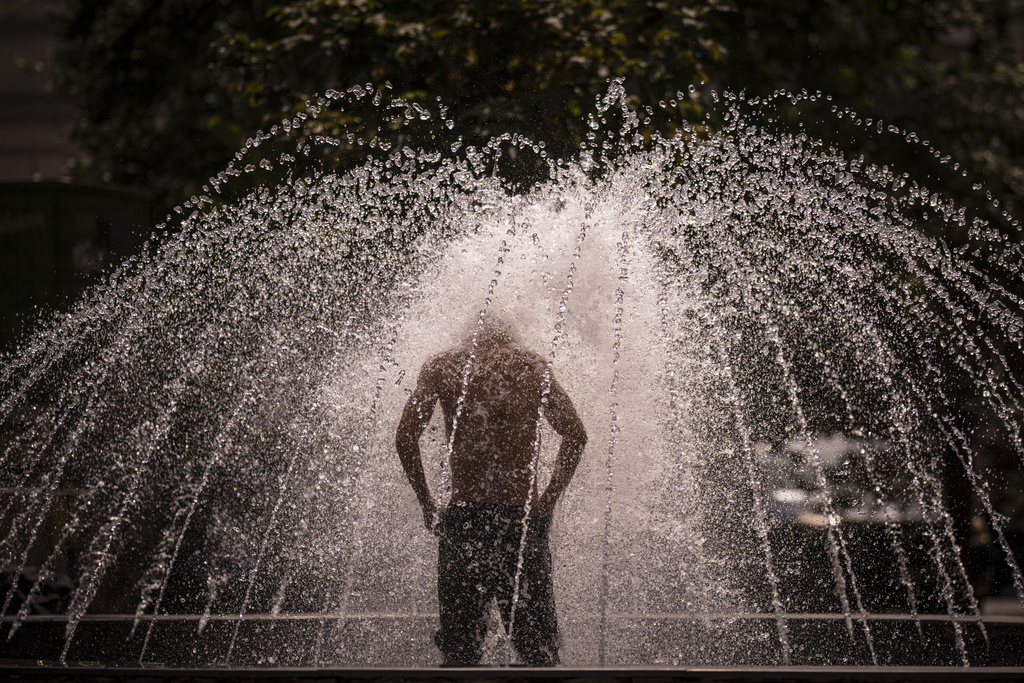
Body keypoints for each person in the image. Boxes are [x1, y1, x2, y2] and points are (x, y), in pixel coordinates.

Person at [395, 318, 587, 667]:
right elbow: (575, 434)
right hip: (521, 521)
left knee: (460, 650)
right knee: (539, 652)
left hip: (465, 520)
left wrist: (427, 502)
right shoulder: (532, 368)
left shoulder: (445, 366)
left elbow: (405, 436)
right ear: (510, 337)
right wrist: (547, 502)